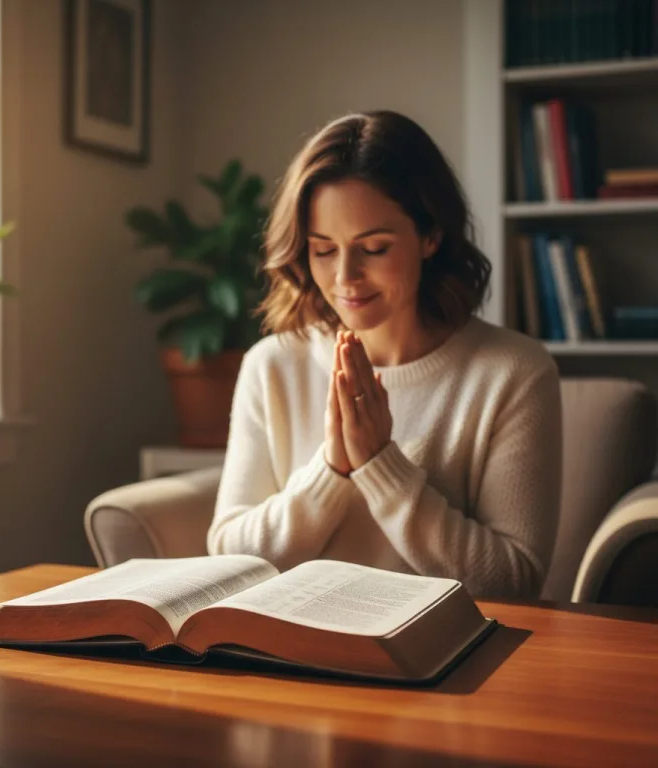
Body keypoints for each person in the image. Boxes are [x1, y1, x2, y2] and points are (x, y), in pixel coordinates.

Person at [206, 110, 561, 599]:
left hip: (444, 666)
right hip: (287, 653)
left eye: (373, 248)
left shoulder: (512, 372)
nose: (345, 278)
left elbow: (515, 580)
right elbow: (227, 556)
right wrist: (331, 470)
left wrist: (379, 464)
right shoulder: (272, 365)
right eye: (323, 250)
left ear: (431, 237)